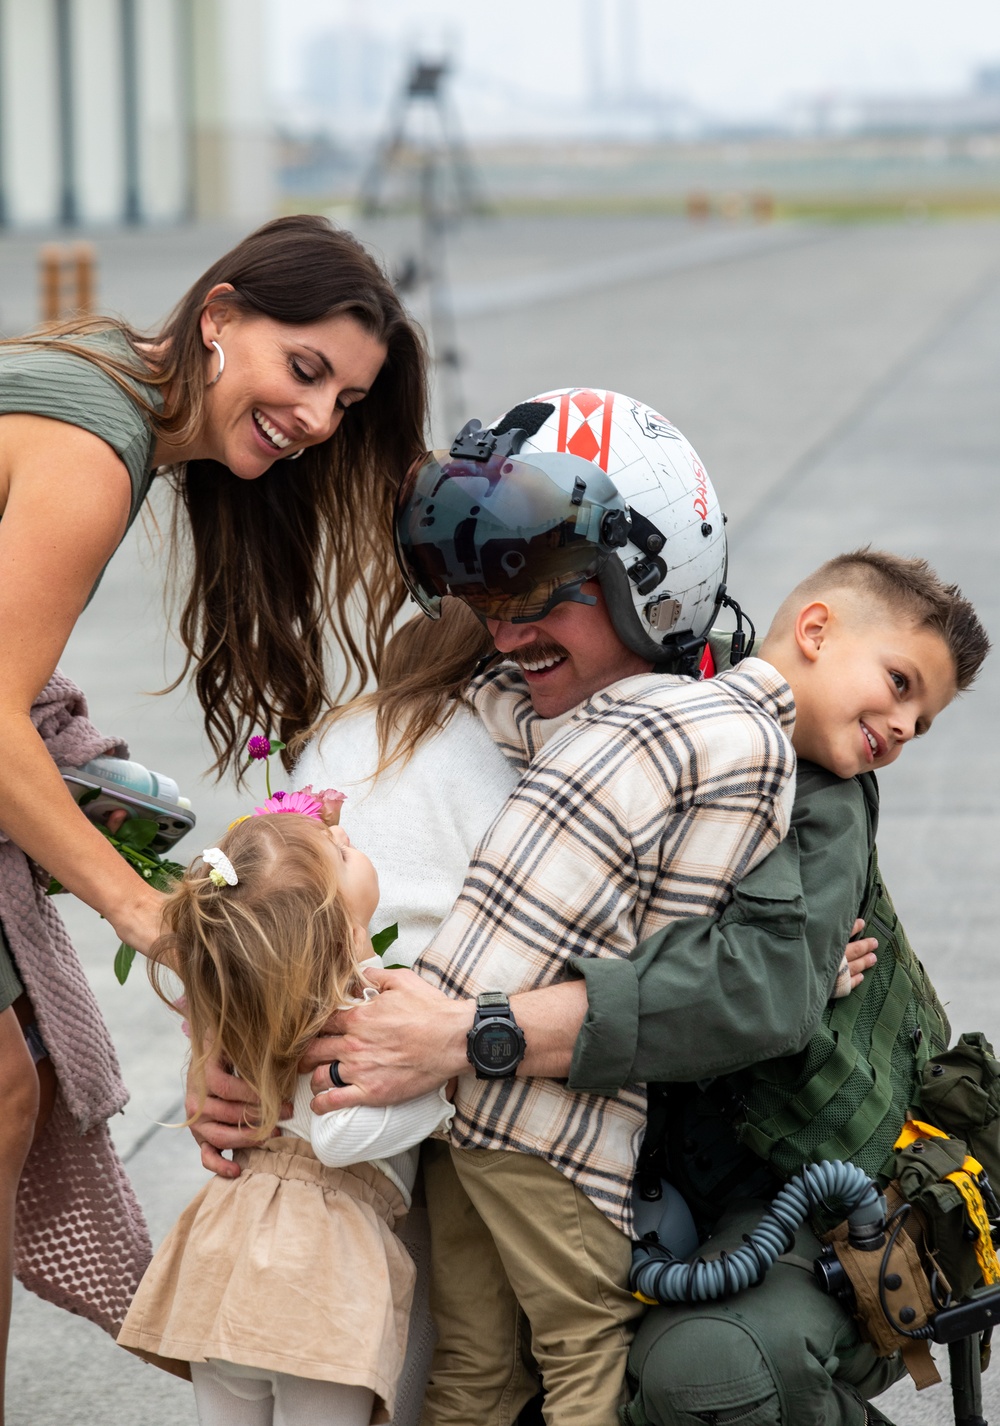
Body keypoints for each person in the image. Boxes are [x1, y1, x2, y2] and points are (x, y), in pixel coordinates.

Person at [311, 545, 987, 1426]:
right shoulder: (693, 710)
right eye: (900, 686)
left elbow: (748, 992)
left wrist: (466, 1031)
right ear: (815, 630)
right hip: (570, 1139)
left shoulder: (819, 791)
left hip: (788, 1185)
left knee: (700, 1369)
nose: (902, 728)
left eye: (921, 720)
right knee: (509, 1360)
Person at [0, 212, 425, 1415]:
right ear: (220, 314)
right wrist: (145, 912)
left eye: (343, 401)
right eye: (304, 369)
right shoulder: (93, 454)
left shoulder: (98, 369)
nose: (316, 418)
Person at [117, 795, 453, 1426]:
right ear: (344, 931)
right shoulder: (364, 1021)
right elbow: (339, 1135)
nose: (348, 837)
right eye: (345, 853)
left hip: (226, 1249)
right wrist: (443, 1091)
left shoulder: (245, 999)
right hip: (313, 1269)